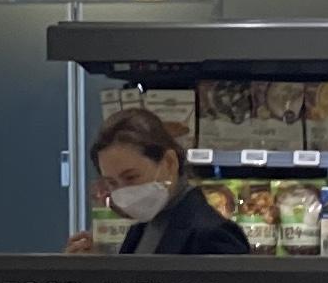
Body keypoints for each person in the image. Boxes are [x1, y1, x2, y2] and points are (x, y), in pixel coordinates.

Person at [89, 105, 252, 262]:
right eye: (112, 183)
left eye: (131, 177)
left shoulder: (214, 234)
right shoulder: (140, 229)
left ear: (169, 163)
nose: (123, 192)